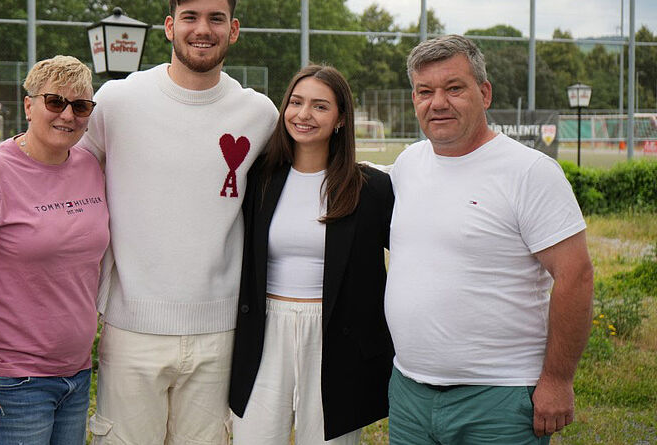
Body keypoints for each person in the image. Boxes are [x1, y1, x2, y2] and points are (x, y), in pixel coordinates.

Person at [82, 0, 278, 445]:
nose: (202, 29)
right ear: (169, 27)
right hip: (131, 328)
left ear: (234, 29)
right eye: (189, 17)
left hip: (220, 331)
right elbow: (62, 169)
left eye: (216, 18)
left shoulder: (260, 113)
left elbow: (311, 174)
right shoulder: (118, 101)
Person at [385, 34, 594, 444]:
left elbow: (576, 276)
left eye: (454, 88)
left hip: (500, 397)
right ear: (414, 99)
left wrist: (557, 379)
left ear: (484, 93)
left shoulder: (529, 171)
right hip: (409, 393)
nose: (438, 102)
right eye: (425, 91)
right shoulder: (408, 165)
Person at [0, 55, 110, 445]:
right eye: (55, 102)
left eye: (80, 106)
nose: (67, 115)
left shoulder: (89, 165)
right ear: (28, 105)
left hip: (76, 374)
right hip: (10, 381)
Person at [229, 65, 395, 444]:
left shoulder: (370, 188)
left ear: (340, 119)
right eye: (296, 102)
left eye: (320, 106)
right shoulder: (260, 179)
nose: (303, 115)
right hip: (266, 331)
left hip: (335, 335)